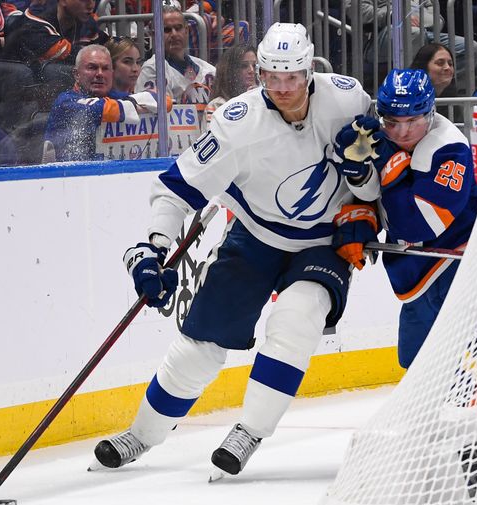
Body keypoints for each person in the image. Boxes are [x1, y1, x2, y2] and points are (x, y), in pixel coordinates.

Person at [93, 23, 373, 477]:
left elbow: (383, 166)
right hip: (256, 235)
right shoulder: (237, 124)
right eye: (272, 76)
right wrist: (153, 247)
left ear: (310, 70)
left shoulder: (349, 101)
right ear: (260, 71)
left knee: (296, 321)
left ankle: (250, 430)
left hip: (325, 242)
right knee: (199, 345)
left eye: (292, 77)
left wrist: (372, 205)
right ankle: (141, 435)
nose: (283, 88)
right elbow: (175, 189)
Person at [337, 68, 477, 452]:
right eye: (393, 121)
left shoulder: (450, 149)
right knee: (422, 359)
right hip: (420, 271)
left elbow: (419, 225)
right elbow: (368, 200)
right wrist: (357, 205)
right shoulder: (381, 139)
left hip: (468, 263)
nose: (403, 131)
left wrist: (388, 173)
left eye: (412, 120)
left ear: (429, 112)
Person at [44, 44, 163, 161]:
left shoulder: (112, 96)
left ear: (112, 73)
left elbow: (163, 101)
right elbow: (101, 109)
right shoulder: (66, 101)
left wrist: (132, 103)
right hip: (66, 176)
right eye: (92, 68)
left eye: (105, 68)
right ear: (76, 74)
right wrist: (137, 106)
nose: (100, 74)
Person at [348, 0, 477, 89]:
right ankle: (412, 93)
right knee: (413, 33)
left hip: (426, 31)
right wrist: (395, 15)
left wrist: (422, 20)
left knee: (469, 48)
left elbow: (436, 16)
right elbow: (356, 10)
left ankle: (446, 95)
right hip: (383, 34)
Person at [136, 5, 216, 112]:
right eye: (167, 30)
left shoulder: (208, 70)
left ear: (186, 31)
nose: (174, 34)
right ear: (155, 35)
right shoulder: (153, 69)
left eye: (178, 28)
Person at [3, 0, 108, 67]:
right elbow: (65, 54)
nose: (91, 5)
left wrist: (121, 45)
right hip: (18, 91)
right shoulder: (34, 22)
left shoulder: (85, 20)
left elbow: (109, 45)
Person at [204, 44, 256, 127]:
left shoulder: (262, 100)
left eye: (254, 65)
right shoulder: (217, 105)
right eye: (244, 66)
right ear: (231, 70)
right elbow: (213, 137)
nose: (251, 70)